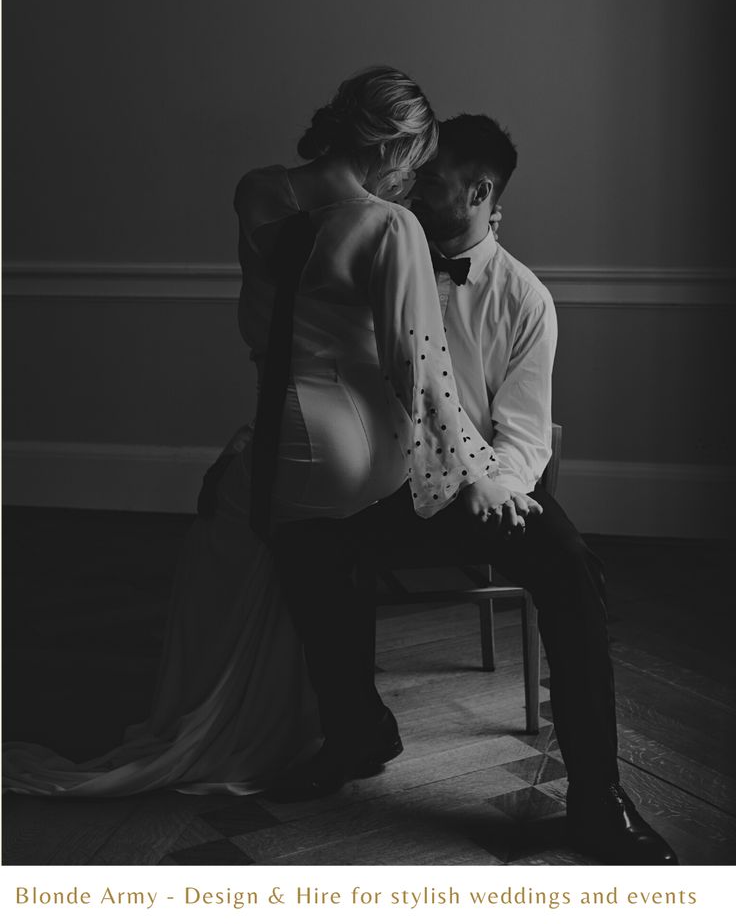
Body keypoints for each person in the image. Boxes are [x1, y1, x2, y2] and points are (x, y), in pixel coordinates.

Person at [3, 69, 515, 798]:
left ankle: (244, 713)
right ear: (391, 145)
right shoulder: (387, 225)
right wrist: (476, 468)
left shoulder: (257, 191)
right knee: (253, 533)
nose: (411, 176)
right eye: (413, 157)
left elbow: (273, 333)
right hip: (360, 445)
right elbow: (420, 370)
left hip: (286, 424)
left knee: (229, 539)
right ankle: (287, 720)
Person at [269, 114, 678, 867]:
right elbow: (309, 364)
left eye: (432, 179)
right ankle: (357, 730)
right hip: (378, 480)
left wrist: (488, 486)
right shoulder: (377, 242)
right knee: (301, 534)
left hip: (477, 492)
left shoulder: (525, 300)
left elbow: (524, 438)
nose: (411, 188)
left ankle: (597, 796)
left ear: (480, 190)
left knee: (569, 560)